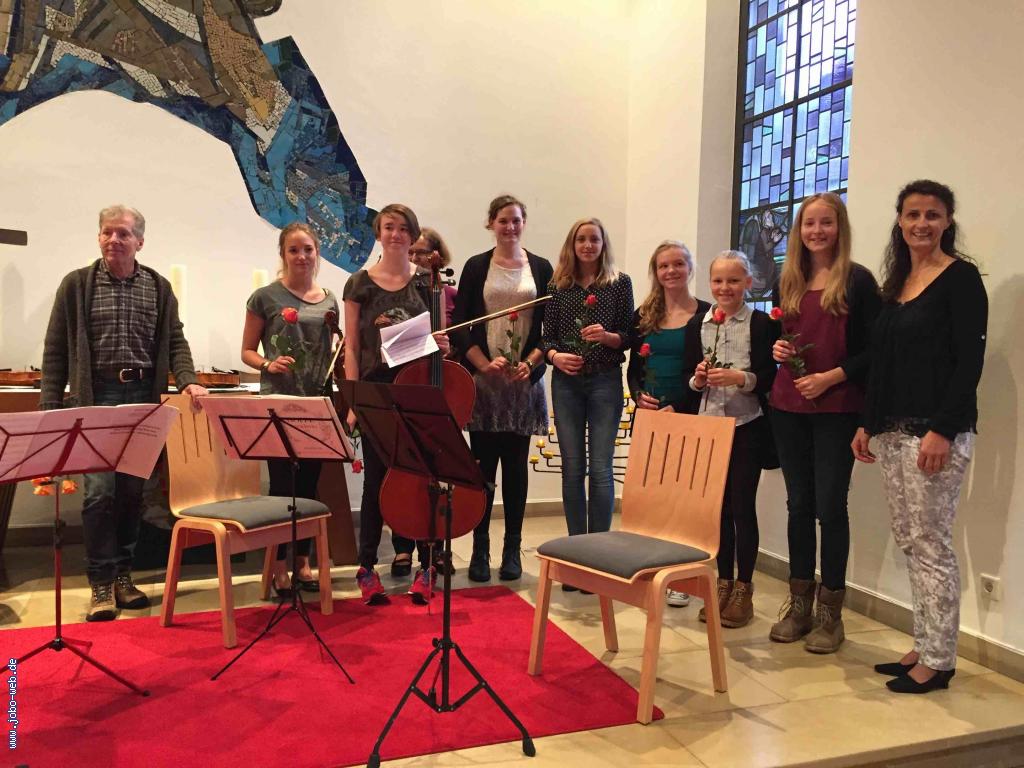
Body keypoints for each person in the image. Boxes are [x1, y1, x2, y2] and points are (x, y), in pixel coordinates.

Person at [39, 205, 208, 621]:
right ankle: (100, 582)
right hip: (96, 396)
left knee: (133, 493)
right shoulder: (76, 285)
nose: (114, 239)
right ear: (99, 237)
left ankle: (122, 576)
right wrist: (50, 410)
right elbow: (55, 349)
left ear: (140, 242)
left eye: (123, 233)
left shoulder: (158, 287)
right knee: (100, 493)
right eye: (107, 232)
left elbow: (176, 341)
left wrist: (187, 380)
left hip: (142, 398)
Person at [852, 180, 987, 694]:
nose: (922, 223)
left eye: (933, 214)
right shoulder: (899, 282)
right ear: (900, 220)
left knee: (932, 544)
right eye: (913, 214)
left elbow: (968, 362)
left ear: (948, 221)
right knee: (912, 542)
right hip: (893, 432)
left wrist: (943, 429)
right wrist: (868, 423)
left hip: (935, 434)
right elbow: (882, 363)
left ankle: (939, 660)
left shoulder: (961, 278)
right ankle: (924, 644)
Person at [767, 194, 881, 653]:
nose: (816, 231)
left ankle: (831, 616)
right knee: (798, 505)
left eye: (826, 223)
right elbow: (783, 339)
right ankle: (799, 607)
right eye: (809, 223)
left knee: (830, 508)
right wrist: (778, 350)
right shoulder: (788, 280)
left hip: (837, 407)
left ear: (840, 227)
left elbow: (876, 351)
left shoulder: (858, 281)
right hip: (788, 407)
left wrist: (831, 377)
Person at [343, 203, 451, 605]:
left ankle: (427, 566)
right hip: (375, 392)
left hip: (417, 390)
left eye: (404, 228)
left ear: (412, 235)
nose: (396, 234)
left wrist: (441, 343)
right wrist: (353, 399)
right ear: (378, 232)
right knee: (376, 482)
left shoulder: (427, 283)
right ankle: (366, 566)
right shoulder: (359, 283)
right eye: (389, 227)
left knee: (422, 481)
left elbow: (439, 342)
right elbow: (353, 347)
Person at [451, 195, 553, 582]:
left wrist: (530, 362)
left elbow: (551, 326)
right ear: (490, 223)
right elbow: (461, 323)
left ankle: (512, 549)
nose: (510, 227)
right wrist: (482, 364)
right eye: (503, 220)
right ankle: (480, 549)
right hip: (485, 381)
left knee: (515, 468)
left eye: (516, 220)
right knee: (482, 468)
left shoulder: (541, 267)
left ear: (523, 223)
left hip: (522, 381)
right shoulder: (476, 266)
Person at [241, 222, 341, 598]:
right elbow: (247, 351)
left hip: (317, 403)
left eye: (308, 249)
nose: (301, 256)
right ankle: (278, 565)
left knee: (309, 488)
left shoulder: (329, 299)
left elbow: (333, 349)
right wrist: (268, 364)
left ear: (317, 253)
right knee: (282, 489)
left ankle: (303, 561)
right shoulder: (264, 297)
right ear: (282, 255)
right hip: (279, 403)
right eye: (294, 250)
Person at [680, 250, 779, 627]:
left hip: (746, 424)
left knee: (741, 507)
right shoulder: (698, 324)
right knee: (718, 510)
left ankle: (743, 588)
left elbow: (770, 377)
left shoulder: (761, 324)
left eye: (734, 281)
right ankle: (722, 583)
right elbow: (690, 380)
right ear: (710, 284)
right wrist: (698, 378)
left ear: (748, 283)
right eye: (718, 281)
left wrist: (741, 378)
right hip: (710, 427)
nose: (725, 288)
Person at [542, 218, 633, 591]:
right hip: (566, 382)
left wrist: (608, 337)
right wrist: (554, 357)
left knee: (600, 469)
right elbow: (546, 337)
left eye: (594, 239)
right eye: (581, 239)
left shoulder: (619, 283)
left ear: (603, 243)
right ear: (572, 244)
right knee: (572, 469)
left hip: (604, 381)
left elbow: (628, 335)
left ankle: (598, 559)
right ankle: (575, 558)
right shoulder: (557, 286)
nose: (587, 245)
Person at [627, 240, 710, 608]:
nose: (671, 271)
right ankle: (651, 569)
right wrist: (637, 396)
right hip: (650, 418)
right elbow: (633, 369)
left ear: (689, 268)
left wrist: (678, 406)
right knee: (653, 499)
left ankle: (681, 576)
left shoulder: (706, 315)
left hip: (689, 416)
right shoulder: (643, 315)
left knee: (684, 502)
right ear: (656, 272)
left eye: (678, 264)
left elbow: (705, 371)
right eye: (664, 266)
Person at [409, 227, 458, 327]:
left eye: (421, 252)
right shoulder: (398, 294)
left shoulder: (453, 296)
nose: (414, 259)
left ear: (437, 254)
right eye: (409, 252)